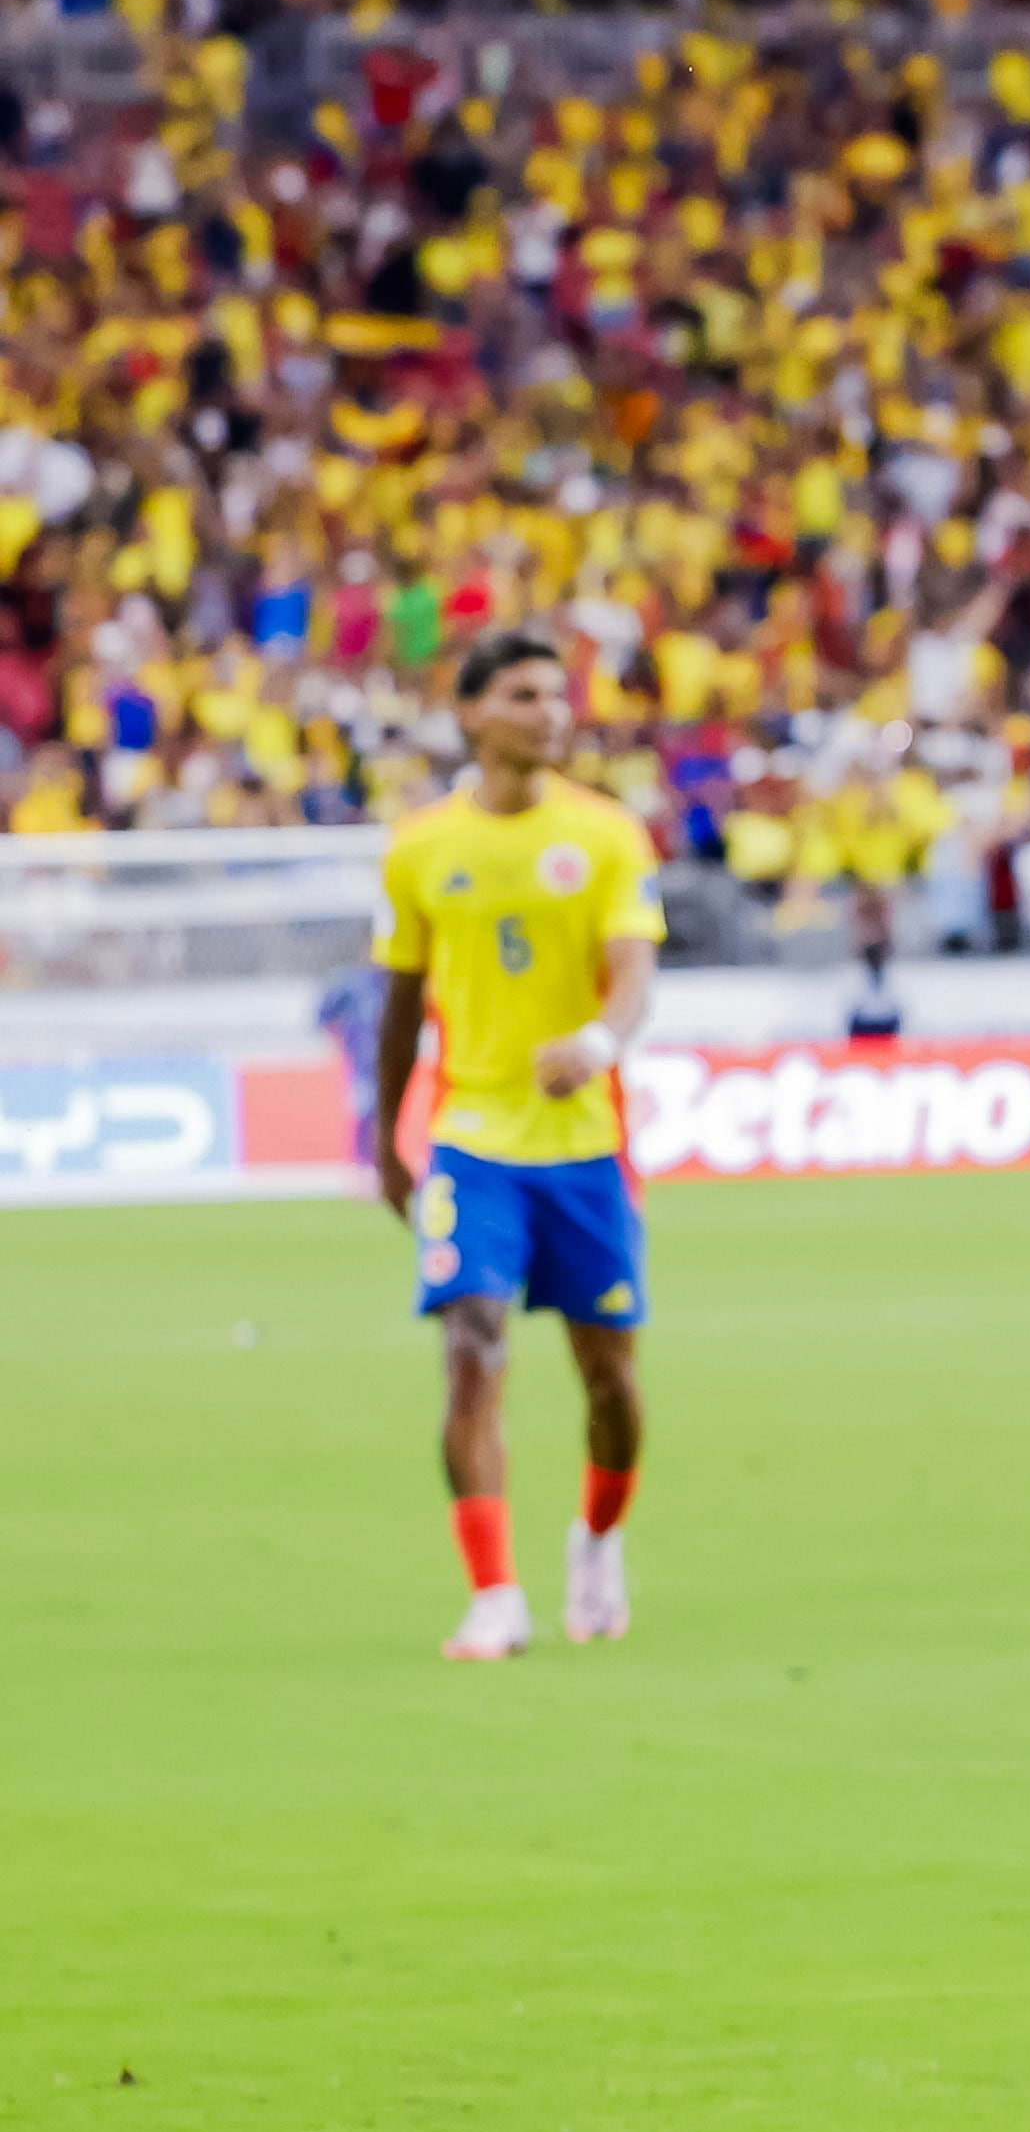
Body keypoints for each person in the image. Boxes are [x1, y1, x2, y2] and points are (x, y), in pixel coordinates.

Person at [371, 629, 661, 1664]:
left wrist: (593, 1042)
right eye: (528, 695)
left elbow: (633, 976)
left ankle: (599, 1539)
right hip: (471, 1140)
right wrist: (385, 1141)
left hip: (584, 1146)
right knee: (472, 1343)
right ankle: (494, 1592)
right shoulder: (419, 848)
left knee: (609, 1381)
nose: (554, 712)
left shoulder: (610, 834)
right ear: (474, 714)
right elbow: (400, 1006)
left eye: (559, 696)